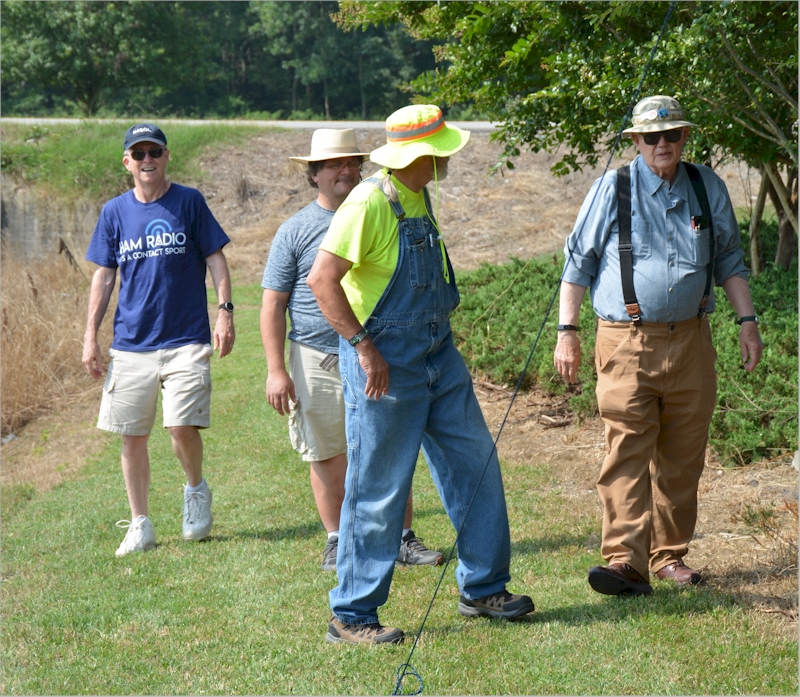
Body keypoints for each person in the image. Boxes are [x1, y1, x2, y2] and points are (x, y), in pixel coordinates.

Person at [307, 105, 534, 645]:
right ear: (419, 154)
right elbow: (322, 280)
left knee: (475, 465)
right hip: (385, 363)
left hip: (438, 355)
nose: (447, 157)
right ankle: (352, 615)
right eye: (441, 149)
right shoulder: (368, 202)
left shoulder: (419, 194)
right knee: (379, 487)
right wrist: (365, 348)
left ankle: (483, 589)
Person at [553, 95, 763, 596]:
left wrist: (747, 322)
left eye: (672, 135)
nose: (662, 144)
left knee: (683, 455)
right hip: (625, 341)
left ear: (684, 137)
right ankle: (624, 561)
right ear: (636, 142)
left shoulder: (705, 185)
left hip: (693, 341)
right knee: (627, 447)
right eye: (652, 137)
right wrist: (568, 333)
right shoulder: (613, 188)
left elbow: (729, 260)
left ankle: (669, 556)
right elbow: (577, 265)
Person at [260, 128, 443, 571]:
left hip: (379, 352)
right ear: (314, 175)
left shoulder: (385, 208)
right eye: (333, 164)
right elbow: (273, 302)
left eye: (351, 162)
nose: (345, 170)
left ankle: (401, 538)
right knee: (326, 452)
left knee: (389, 444)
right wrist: (275, 369)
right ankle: (337, 539)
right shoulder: (295, 231)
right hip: (317, 355)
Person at [82, 123, 235, 558]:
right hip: (131, 343)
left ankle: (195, 489)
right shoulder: (114, 212)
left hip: (186, 336)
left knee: (180, 426)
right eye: (139, 153)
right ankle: (140, 523)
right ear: (127, 161)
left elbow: (215, 257)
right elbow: (104, 275)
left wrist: (224, 312)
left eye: (155, 152)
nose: (147, 159)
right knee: (131, 435)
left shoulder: (189, 201)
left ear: (167, 157)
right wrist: (90, 337)